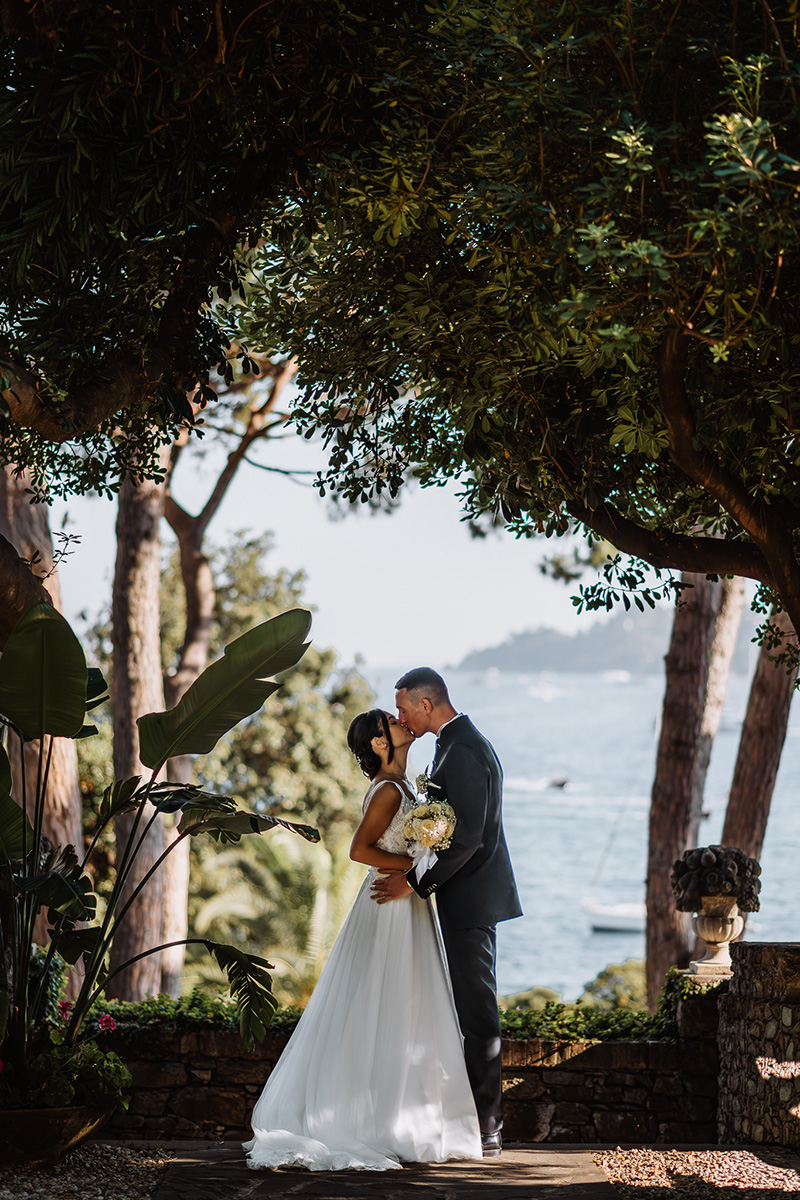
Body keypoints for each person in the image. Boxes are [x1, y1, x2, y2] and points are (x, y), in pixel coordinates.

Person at [243, 708, 482, 1172]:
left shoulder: (406, 786)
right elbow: (360, 850)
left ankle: (398, 1116)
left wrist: (420, 868)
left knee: (405, 1006)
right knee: (383, 1001)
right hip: (388, 906)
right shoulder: (389, 790)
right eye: (391, 721)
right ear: (378, 743)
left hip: (406, 903)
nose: (401, 722)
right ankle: (366, 1121)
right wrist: (414, 870)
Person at [372, 668, 522, 1157]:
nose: (400, 718)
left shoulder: (464, 750)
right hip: (466, 897)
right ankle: (474, 1121)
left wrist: (414, 882)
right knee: (468, 1008)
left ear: (425, 704)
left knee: (477, 1012)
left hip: (472, 899)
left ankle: (488, 1127)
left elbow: (468, 837)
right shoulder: (454, 745)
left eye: (402, 709)